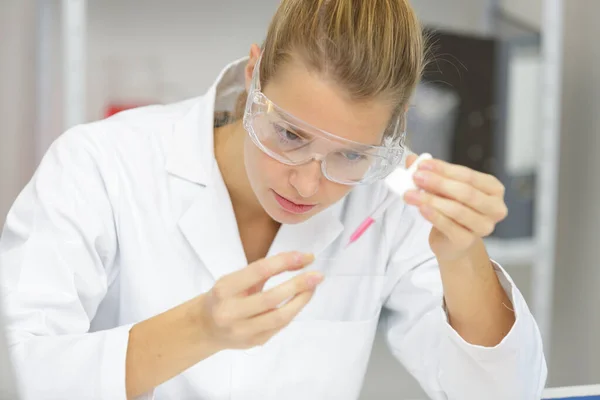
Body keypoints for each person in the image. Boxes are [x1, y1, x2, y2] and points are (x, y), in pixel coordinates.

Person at [0, 0, 546, 399]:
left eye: (350, 155)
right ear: (256, 71)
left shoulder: (389, 199)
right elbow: (29, 372)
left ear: (396, 128)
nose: (307, 186)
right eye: (290, 136)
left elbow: (504, 392)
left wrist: (461, 254)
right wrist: (202, 330)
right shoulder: (102, 163)